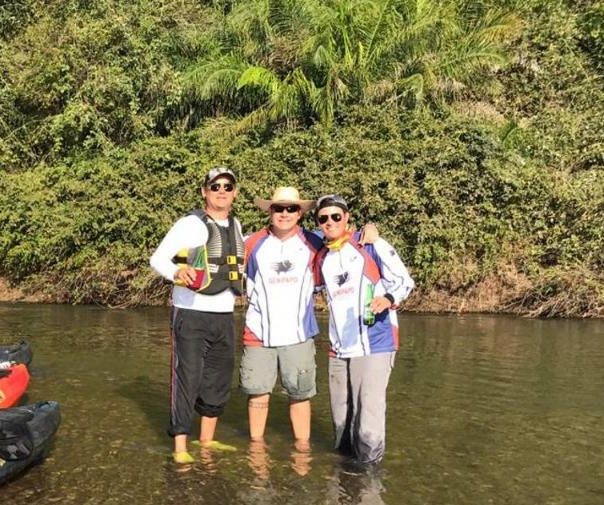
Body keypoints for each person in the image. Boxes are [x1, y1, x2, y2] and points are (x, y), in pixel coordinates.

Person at [150, 168, 245, 463]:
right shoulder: (190, 224)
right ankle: (180, 447)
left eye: (227, 186)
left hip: (224, 314)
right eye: (214, 186)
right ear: (204, 191)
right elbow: (158, 259)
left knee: (218, 379)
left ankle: (206, 441)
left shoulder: (237, 225)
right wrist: (177, 270)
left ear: (235, 193)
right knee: (187, 377)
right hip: (191, 313)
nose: (221, 190)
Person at [312, 194, 415, 465]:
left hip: (373, 343)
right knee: (341, 422)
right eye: (323, 218)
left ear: (347, 218)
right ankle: (344, 485)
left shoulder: (370, 245)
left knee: (368, 425)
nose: (330, 222)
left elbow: (405, 281)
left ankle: (369, 484)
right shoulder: (323, 256)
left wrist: (388, 300)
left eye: (336, 216)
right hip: (339, 349)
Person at [239, 186, 325, 449]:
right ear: (270, 212)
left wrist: (370, 233)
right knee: (258, 392)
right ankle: (256, 448)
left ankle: (302, 450)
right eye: (278, 208)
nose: (284, 213)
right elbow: (214, 255)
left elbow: (348, 241)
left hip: (298, 333)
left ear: (300, 213)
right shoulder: (250, 242)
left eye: (291, 209)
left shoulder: (315, 243)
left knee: (300, 394)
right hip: (258, 331)